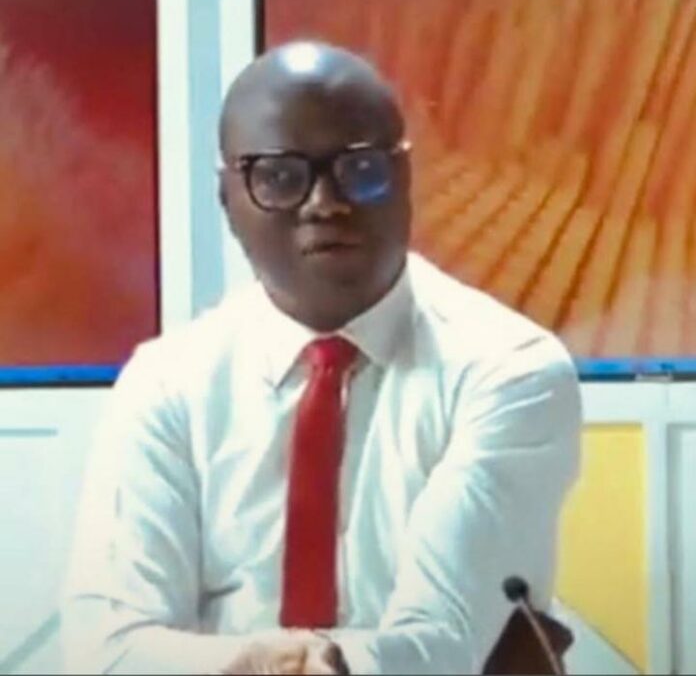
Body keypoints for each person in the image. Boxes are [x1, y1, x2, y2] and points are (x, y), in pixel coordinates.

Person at [62, 41, 581, 675]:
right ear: (227, 196)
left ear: (405, 177)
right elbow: (106, 650)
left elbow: (445, 644)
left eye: (360, 168)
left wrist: (300, 665)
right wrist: (252, 664)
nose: (325, 202)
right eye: (280, 176)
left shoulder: (508, 369)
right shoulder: (167, 383)